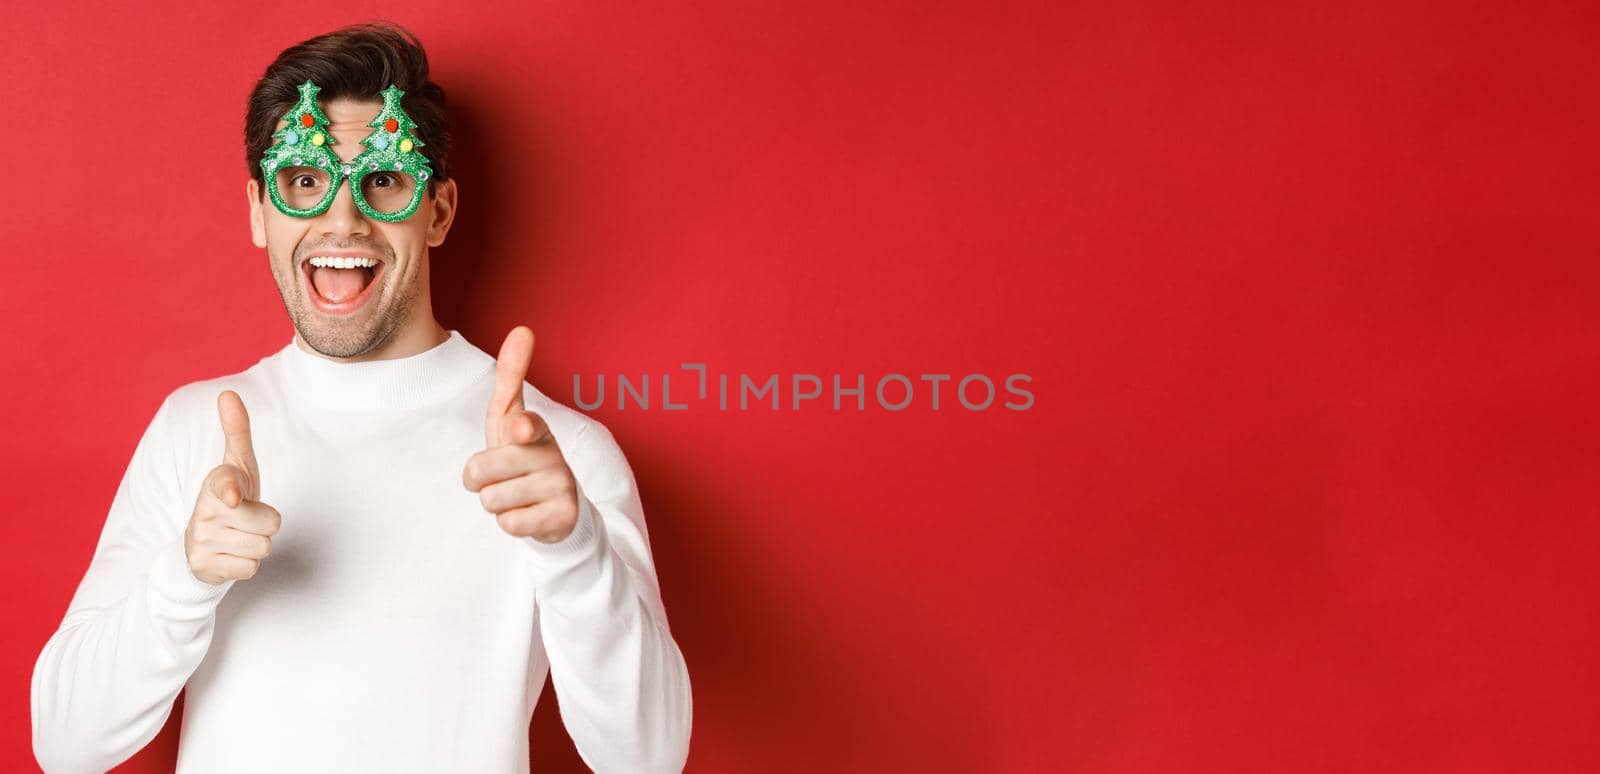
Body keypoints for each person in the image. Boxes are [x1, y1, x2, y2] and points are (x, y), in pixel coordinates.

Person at [29, 23, 692, 773]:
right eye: (304, 181)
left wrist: (573, 549)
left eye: (384, 178)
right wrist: (185, 580)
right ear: (258, 211)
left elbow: (649, 759)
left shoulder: (557, 461)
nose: (342, 220)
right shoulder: (195, 429)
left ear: (438, 211)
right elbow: (63, 744)